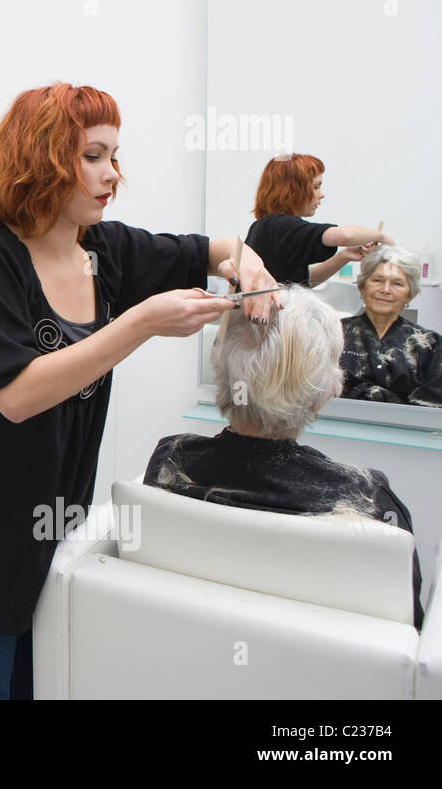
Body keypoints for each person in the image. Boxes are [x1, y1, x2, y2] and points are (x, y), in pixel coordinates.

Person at [0, 83, 280, 700]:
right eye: (92, 157)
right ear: (42, 159)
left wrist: (250, 265)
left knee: (36, 682)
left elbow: (216, 249)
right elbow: (17, 396)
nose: (112, 175)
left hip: (53, 522)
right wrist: (137, 324)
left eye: (114, 157)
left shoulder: (104, 248)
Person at [147, 285, 424, 628]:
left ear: (220, 371)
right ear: (323, 394)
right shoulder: (369, 503)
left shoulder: (170, 462)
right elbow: (408, 631)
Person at [244, 153, 391, 286]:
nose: (321, 195)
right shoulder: (280, 226)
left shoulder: (266, 227)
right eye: (315, 187)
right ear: (293, 190)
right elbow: (344, 235)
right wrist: (382, 237)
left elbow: (302, 283)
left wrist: (344, 256)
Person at [340, 245, 442, 406]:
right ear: (362, 287)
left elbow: (433, 402)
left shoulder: (431, 344)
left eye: (397, 284)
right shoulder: (335, 333)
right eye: (377, 280)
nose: (386, 290)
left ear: (410, 295)